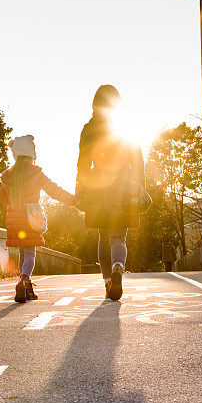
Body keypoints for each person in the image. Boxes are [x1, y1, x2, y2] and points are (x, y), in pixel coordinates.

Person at [76, 85, 146, 301]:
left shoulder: (89, 129)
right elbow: (137, 159)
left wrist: (81, 188)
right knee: (118, 236)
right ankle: (118, 266)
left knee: (103, 236)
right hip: (124, 184)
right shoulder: (125, 127)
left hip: (98, 186)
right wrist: (138, 185)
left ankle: (108, 281)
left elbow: (83, 164)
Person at [0, 135, 77, 303]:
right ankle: (24, 280)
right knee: (30, 253)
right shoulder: (36, 173)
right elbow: (54, 190)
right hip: (30, 216)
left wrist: (12, 203)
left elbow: (2, 199)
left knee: (22, 251)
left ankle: (26, 286)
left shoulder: (8, 175)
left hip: (13, 216)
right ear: (31, 154)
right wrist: (73, 200)